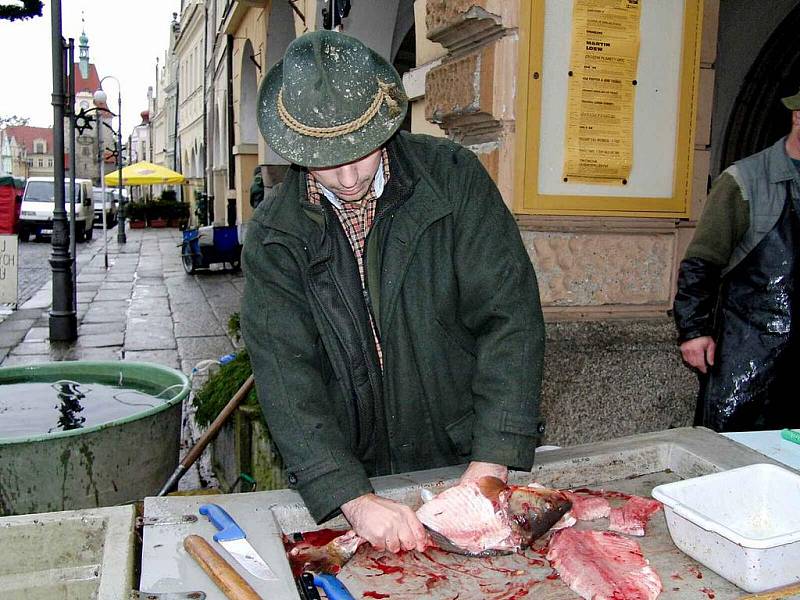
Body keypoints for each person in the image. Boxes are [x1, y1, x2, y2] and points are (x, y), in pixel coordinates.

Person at [241, 30, 545, 554]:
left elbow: (509, 319)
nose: (348, 176)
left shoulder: (452, 179)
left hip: (461, 449)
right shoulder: (274, 236)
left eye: (360, 152)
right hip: (354, 465)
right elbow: (287, 374)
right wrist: (350, 496)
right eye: (325, 160)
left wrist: (491, 460)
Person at [673, 86, 800, 432]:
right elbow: (702, 261)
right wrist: (694, 331)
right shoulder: (744, 181)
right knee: (734, 449)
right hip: (749, 349)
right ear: (797, 116)